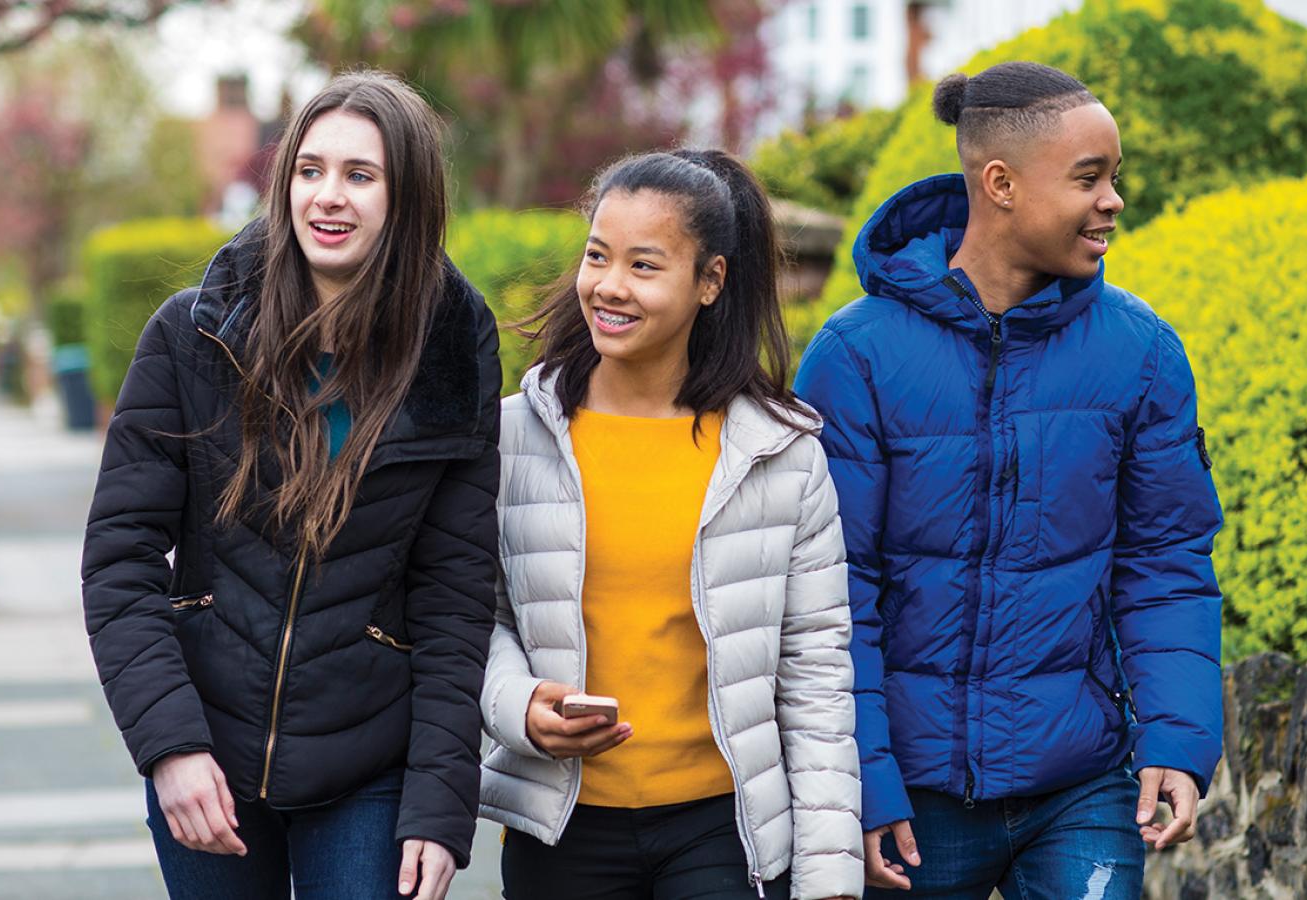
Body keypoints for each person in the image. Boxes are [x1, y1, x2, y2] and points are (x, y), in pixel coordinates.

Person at [793, 62, 1224, 898]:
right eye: (1089, 179)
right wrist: (866, 780)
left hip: (1082, 780)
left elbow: (1165, 562)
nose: (1113, 201)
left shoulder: (1141, 353)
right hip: (914, 798)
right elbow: (835, 591)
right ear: (1000, 184)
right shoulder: (856, 357)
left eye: (1115, 178)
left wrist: (1176, 737)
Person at [81, 71, 501, 900]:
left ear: (407, 196)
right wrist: (170, 746)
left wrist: (440, 805)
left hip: (369, 760)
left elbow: (456, 594)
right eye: (309, 171)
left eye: (360, 175)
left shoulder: (454, 347)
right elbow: (119, 560)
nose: (327, 197)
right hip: (209, 753)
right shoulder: (192, 332)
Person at [477, 149, 864, 900]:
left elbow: (815, 669)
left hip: (724, 830)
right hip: (561, 825)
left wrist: (829, 876)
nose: (609, 287)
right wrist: (518, 704)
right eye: (598, 257)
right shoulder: (510, 439)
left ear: (710, 281)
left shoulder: (779, 454)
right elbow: (470, 617)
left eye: (644, 266)